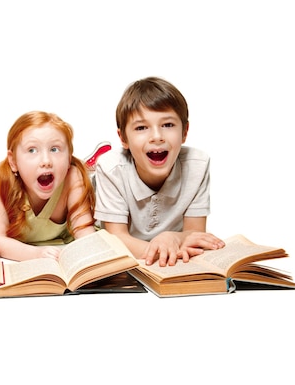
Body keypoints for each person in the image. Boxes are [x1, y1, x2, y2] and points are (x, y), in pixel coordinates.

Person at [94, 76, 225, 267]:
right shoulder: (111, 168)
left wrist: (171, 238)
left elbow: (195, 233)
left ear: (185, 132)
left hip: (164, 249)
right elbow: (116, 238)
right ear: (123, 138)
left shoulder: (197, 165)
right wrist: (169, 247)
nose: (157, 136)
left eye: (168, 125)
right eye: (141, 128)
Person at [0, 111, 96, 261]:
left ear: (69, 157)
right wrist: (36, 254)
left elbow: (85, 234)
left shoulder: (72, 177)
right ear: (13, 161)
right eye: (32, 150)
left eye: (54, 149)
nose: (46, 160)